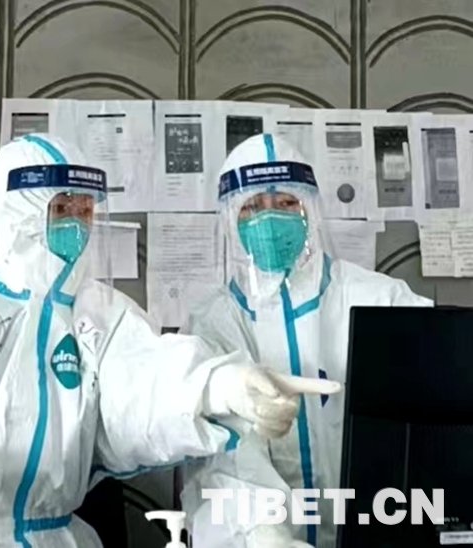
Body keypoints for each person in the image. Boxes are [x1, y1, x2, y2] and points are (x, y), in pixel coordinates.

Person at [0, 134, 340, 548]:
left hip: (51, 536)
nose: (77, 224)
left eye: (85, 210)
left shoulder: (99, 314)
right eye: (60, 209)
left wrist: (219, 385)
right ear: (17, 212)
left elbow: (146, 376)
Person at [180, 133, 433, 548]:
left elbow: (444, 384)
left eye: (285, 203)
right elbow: (219, 454)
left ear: (310, 210)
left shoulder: (379, 298)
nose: (270, 218)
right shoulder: (213, 322)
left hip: (376, 525)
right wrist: (263, 534)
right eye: (252, 206)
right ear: (230, 219)